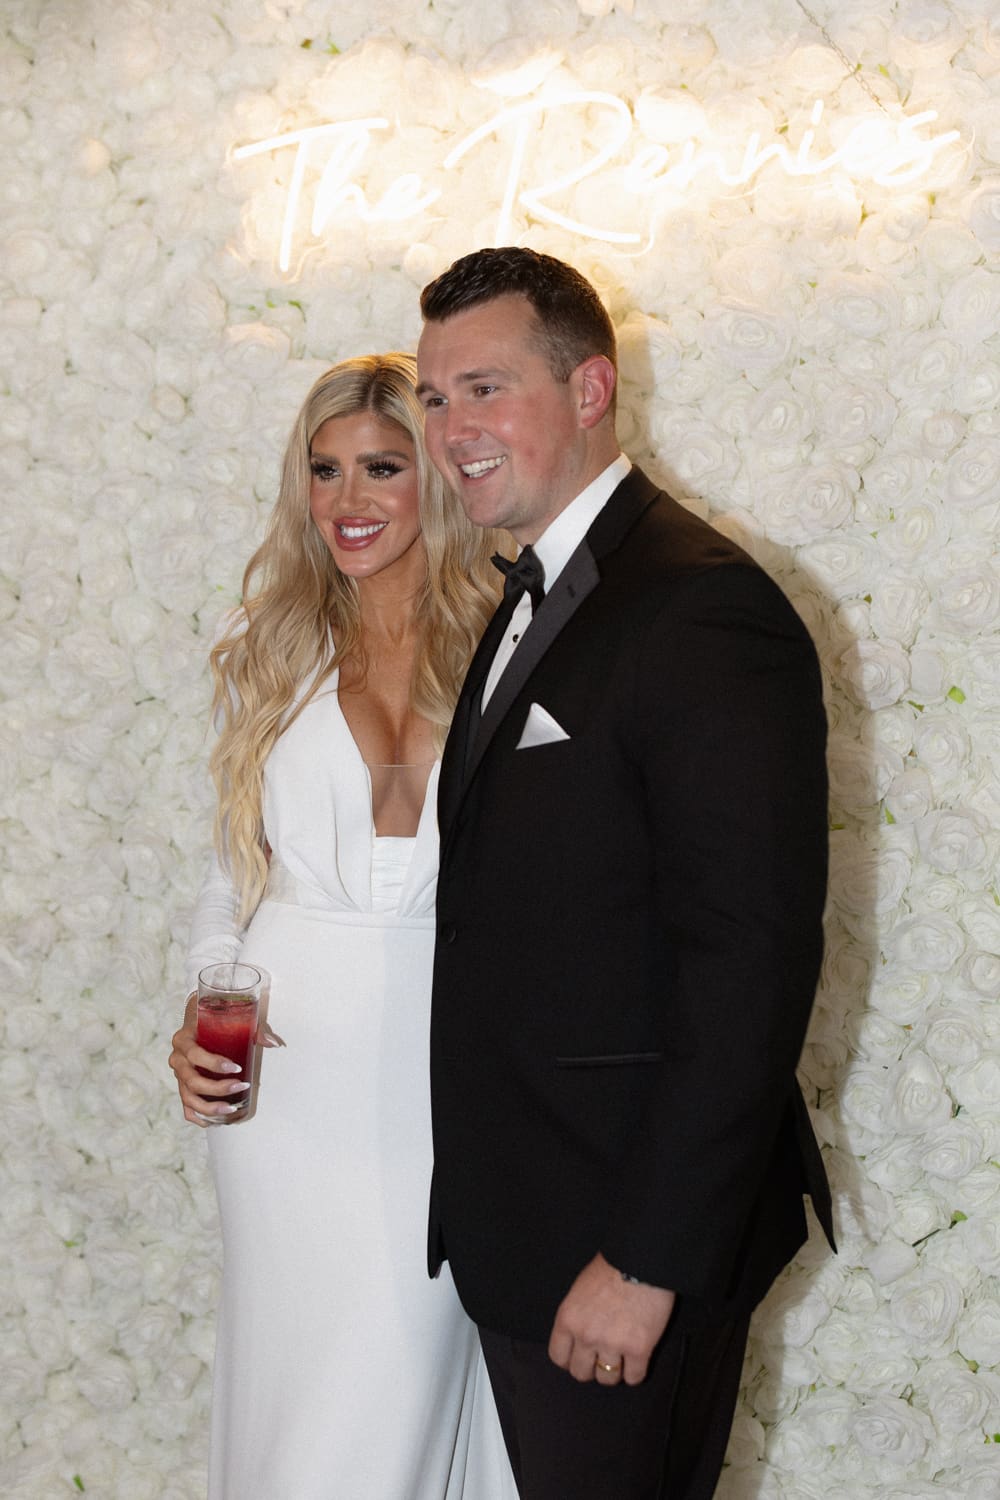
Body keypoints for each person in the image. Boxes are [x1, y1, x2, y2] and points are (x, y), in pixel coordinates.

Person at [415, 248, 836, 1500]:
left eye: (484, 388)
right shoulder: (535, 591)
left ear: (590, 388)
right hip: (531, 1225)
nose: (451, 429)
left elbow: (748, 959)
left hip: (619, 1243)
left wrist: (646, 1262)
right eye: (434, 397)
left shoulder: (701, 607)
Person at [168, 353, 517, 1500]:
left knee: (407, 1378)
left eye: (382, 467)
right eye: (324, 471)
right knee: (304, 1401)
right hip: (285, 1083)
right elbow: (233, 868)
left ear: (439, 476)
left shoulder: (512, 645)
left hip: (448, 1073)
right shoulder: (271, 644)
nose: (348, 501)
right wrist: (207, 998)